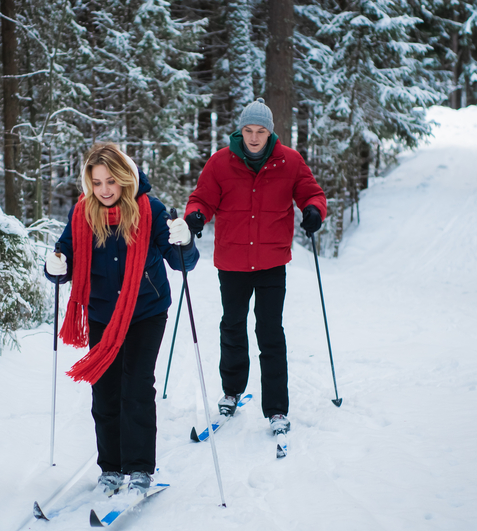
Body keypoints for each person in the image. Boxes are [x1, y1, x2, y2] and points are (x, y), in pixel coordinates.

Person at [46, 143, 197, 496]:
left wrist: (185, 242)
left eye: (111, 181)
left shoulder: (151, 210)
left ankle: (140, 469)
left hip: (146, 311)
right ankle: (111, 469)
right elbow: (64, 258)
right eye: (97, 182)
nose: (104, 190)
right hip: (102, 312)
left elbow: (183, 263)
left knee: (137, 386)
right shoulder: (82, 214)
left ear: (125, 178)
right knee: (105, 390)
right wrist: (54, 268)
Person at [184, 98, 326, 437]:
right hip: (232, 261)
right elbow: (202, 198)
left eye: (260, 131)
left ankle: (276, 408)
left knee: (270, 331)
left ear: (270, 132)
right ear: (240, 131)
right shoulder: (220, 162)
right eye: (248, 130)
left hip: (271, 262)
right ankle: (231, 392)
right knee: (232, 326)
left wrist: (313, 210)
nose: (253, 137)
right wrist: (195, 216)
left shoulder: (289, 161)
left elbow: (312, 193)